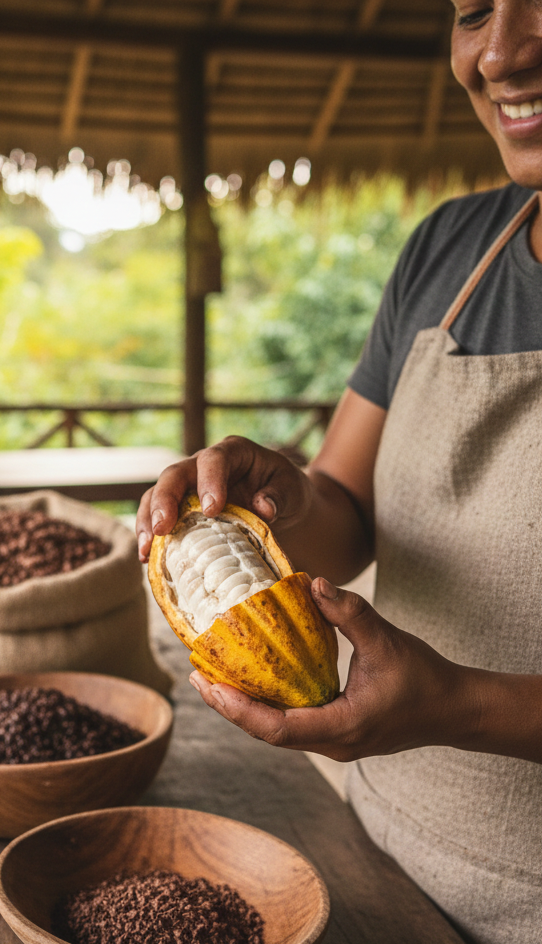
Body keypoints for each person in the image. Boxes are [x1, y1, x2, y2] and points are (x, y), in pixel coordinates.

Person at [135, 4, 542, 943]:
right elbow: (346, 511)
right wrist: (281, 493)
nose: (500, 52)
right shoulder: (448, 252)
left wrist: (460, 705)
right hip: (374, 856)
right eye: (473, 9)